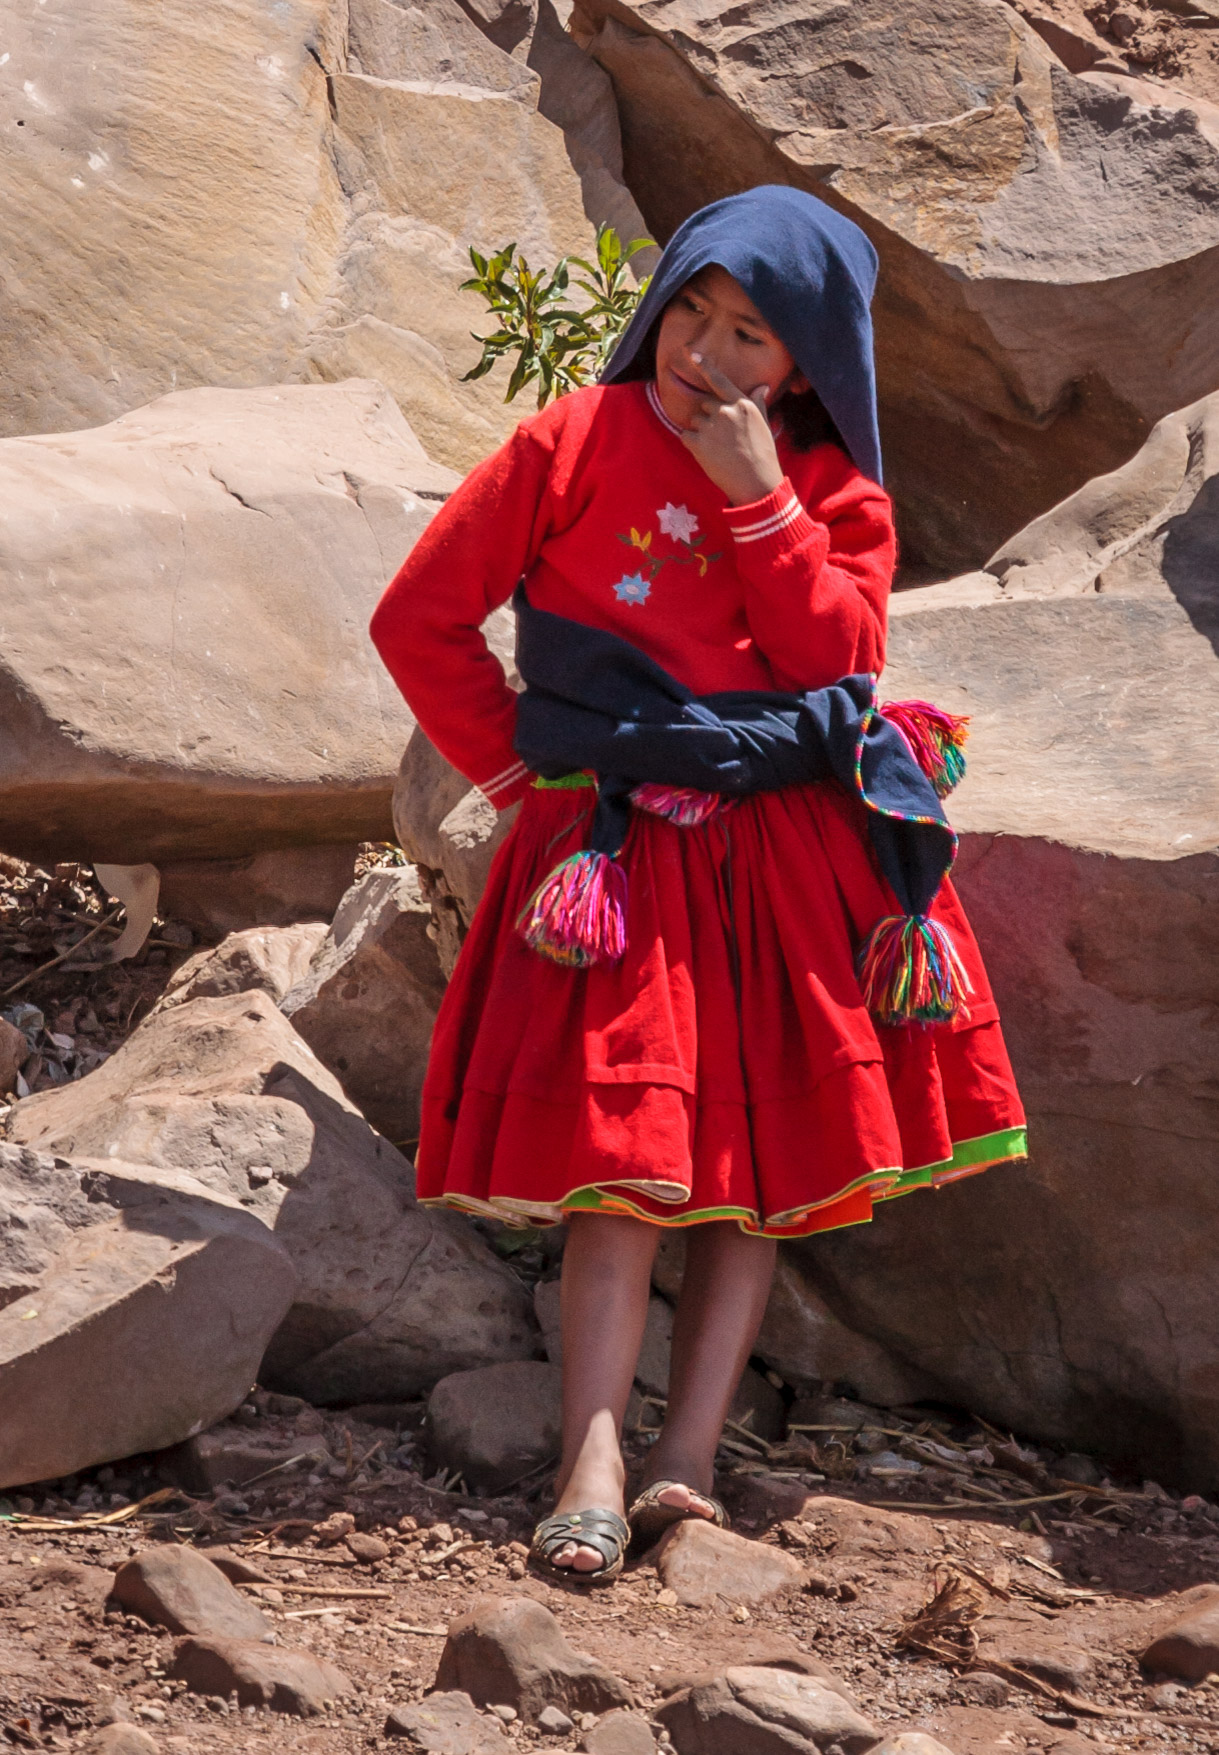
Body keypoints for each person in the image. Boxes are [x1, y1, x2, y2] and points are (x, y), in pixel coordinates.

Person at [370, 185, 1026, 1585]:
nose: (707, 357)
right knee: (621, 1171)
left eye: (753, 338)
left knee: (758, 1183)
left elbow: (833, 667)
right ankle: (590, 1463)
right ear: (659, 303)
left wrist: (756, 497)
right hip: (618, 856)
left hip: (789, 862)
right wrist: (516, 777)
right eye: (694, 314)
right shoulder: (572, 439)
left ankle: (688, 1466)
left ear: (805, 368)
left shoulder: (829, 488)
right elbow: (418, 616)